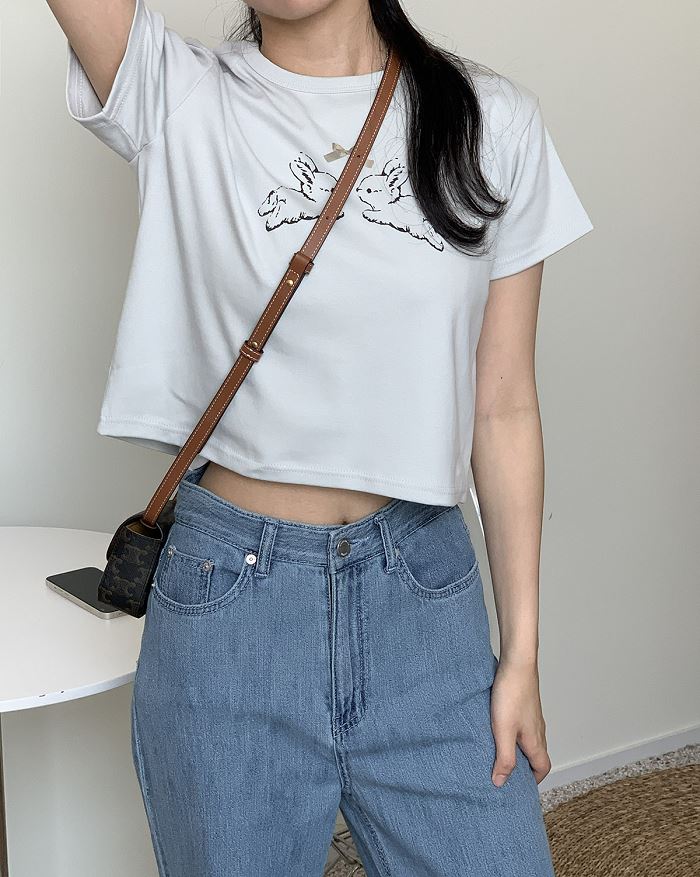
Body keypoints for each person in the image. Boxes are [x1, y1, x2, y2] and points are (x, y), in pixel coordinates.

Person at [49, 0, 593, 873]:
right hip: (230, 610)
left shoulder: (491, 122)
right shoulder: (175, 92)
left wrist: (521, 653)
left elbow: (504, 408)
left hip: (424, 598)